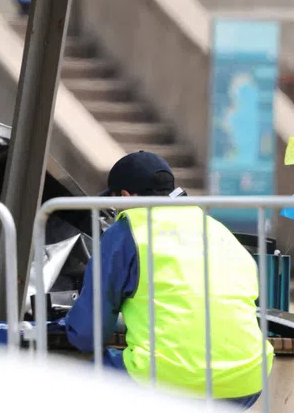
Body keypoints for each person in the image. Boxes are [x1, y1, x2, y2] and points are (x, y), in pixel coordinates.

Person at [65, 151, 273, 408]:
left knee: (75, 381)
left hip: (171, 380)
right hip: (247, 381)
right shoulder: (217, 229)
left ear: (126, 196)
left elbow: (88, 333)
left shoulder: (128, 231)